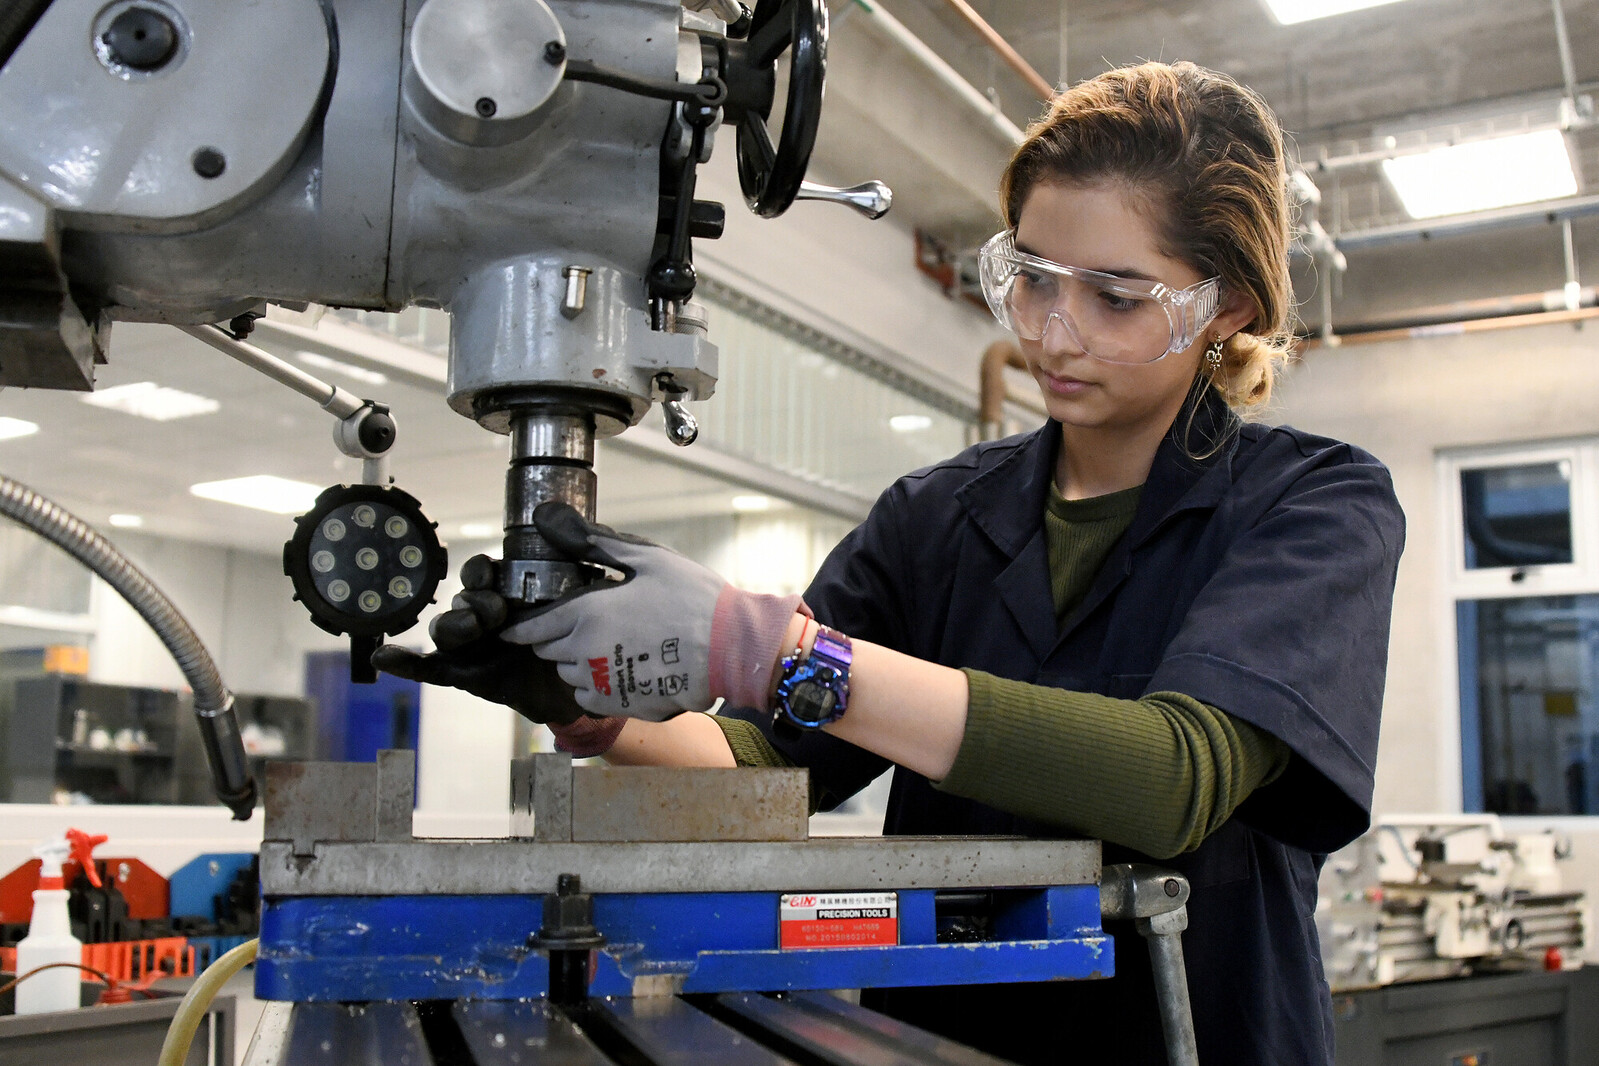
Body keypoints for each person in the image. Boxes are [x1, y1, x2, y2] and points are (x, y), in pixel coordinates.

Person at [375, 60, 1404, 1066]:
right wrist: (598, 710)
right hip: (941, 1039)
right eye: (1034, 278)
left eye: (1116, 299)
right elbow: (767, 765)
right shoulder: (936, 518)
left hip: (1198, 1030)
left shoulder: (1314, 507)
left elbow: (1179, 777)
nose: (1054, 331)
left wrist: (775, 649)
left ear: (1224, 309)